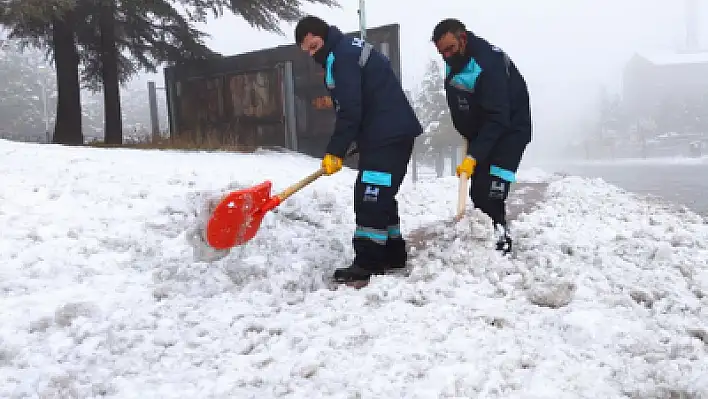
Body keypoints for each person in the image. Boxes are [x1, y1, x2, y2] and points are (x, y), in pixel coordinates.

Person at [294, 16, 423, 283]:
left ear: (323, 35)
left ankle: (368, 261)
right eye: (307, 51)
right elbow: (365, 102)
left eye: (314, 46)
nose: (312, 54)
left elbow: (351, 109)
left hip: (388, 135)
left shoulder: (342, 57)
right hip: (387, 134)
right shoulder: (345, 50)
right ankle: (393, 253)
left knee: (370, 195)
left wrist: (335, 151)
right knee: (380, 193)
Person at [431, 18, 532, 255]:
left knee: (492, 192)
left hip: (509, 131)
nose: (446, 56)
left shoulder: (488, 64)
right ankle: (482, 242)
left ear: (463, 39)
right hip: (484, 132)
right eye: (441, 52)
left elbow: (498, 116)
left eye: (450, 49)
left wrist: (474, 155)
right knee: (478, 191)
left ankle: (500, 245)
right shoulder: (457, 60)